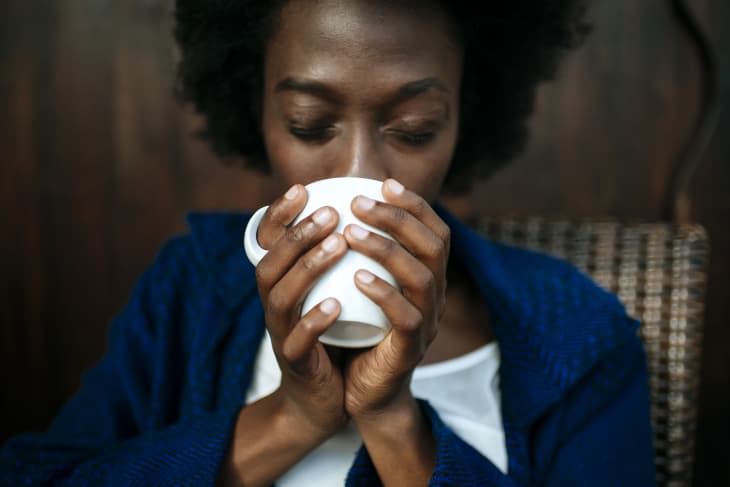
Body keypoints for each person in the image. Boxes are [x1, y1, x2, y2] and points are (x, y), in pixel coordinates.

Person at [0, 1, 656, 485]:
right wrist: (290, 416)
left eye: (415, 129)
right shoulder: (190, 287)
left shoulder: (580, 336)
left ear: (466, 116)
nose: (362, 176)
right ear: (255, 109)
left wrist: (396, 422)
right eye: (309, 124)